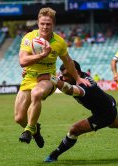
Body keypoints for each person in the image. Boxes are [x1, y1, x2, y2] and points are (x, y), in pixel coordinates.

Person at [44, 60, 118, 162]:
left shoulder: (84, 84)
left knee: (74, 130)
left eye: (66, 75)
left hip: (104, 113)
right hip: (108, 103)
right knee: (116, 123)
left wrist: (50, 77)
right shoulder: (78, 76)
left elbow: (69, 90)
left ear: (75, 72)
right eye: (62, 75)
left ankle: (54, 155)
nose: (63, 78)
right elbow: (60, 80)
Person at [15, 7, 90, 148]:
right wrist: (42, 55)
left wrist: (78, 78)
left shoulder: (59, 42)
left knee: (36, 93)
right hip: (29, 78)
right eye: (42, 23)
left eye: (48, 24)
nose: (45, 26)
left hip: (47, 78)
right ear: (38, 22)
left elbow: (68, 61)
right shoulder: (29, 38)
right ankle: (35, 130)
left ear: (53, 24)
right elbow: (22, 61)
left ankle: (30, 130)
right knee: (19, 118)